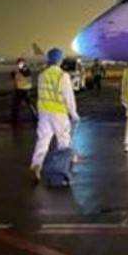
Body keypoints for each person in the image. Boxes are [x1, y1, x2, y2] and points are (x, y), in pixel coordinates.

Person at [29, 48, 80, 181]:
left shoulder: (42, 75)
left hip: (44, 113)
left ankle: (36, 164)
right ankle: (63, 167)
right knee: (63, 139)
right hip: (58, 113)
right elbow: (68, 97)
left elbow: (40, 94)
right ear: (60, 60)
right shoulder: (63, 76)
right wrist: (74, 114)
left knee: (43, 140)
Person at [10, 58, 36, 123]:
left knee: (29, 103)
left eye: (21, 63)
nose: (19, 64)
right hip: (19, 89)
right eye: (18, 63)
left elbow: (26, 73)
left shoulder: (25, 69)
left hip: (25, 89)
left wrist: (19, 71)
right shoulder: (18, 70)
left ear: (24, 63)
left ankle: (35, 116)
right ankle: (15, 118)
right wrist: (13, 75)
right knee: (16, 104)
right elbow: (16, 79)